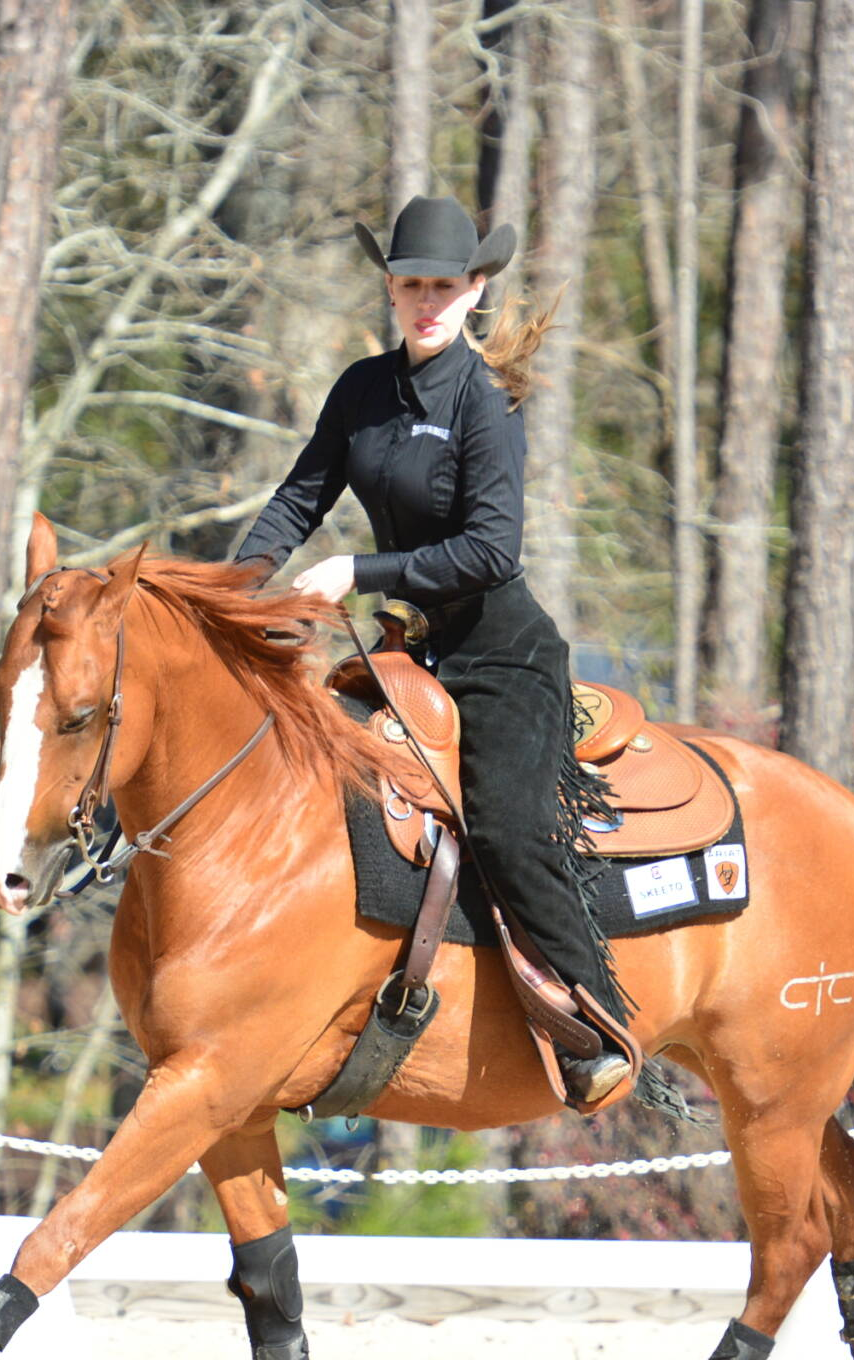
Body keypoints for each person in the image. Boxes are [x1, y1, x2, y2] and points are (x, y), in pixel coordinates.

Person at [233, 194, 630, 1107]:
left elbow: (493, 550)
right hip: (409, 656)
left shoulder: (486, 403)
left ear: (474, 289)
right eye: (410, 283)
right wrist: (228, 592)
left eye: (443, 286)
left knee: (505, 827)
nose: (425, 301)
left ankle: (594, 1025)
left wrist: (360, 568)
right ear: (390, 286)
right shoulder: (361, 390)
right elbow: (298, 498)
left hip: (502, 654)